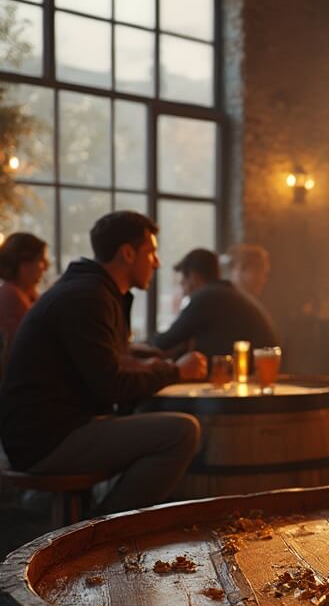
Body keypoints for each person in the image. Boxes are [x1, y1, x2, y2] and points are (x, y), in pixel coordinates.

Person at [0, 211, 207, 514]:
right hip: (45, 440)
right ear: (127, 253)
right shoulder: (88, 297)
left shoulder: (89, 289)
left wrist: (143, 361)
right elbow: (111, 386)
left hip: (44, 431)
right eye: (151, 252)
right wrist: (176, 371)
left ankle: (98, 523)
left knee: (155, 419)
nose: (157, 262)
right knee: (181, 432)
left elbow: (104, 364)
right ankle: (101, 533)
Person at [150, 248, 279, 360]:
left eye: (183, 282)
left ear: (194, 278)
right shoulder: (224, 293)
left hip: (247, 376)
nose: (183, 290)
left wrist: (135, 347)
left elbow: (166, 341)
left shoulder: (206, 297)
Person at [0, 232, 49, 349]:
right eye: (40, 261)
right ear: (23, 264)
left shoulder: (27, 293)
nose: (45, 267)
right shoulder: (10, 295)